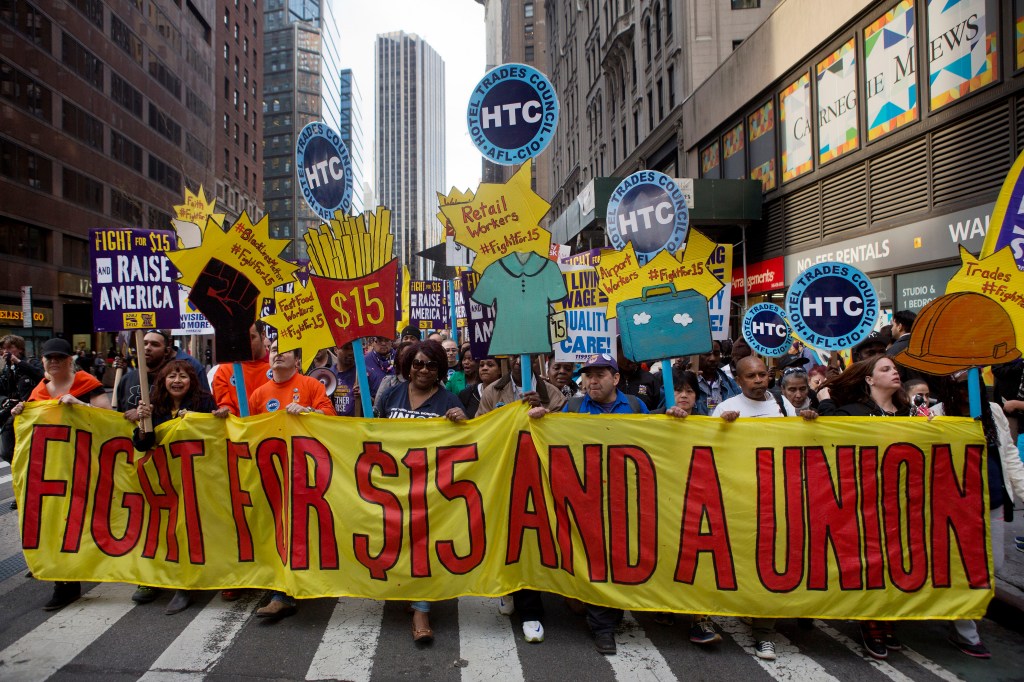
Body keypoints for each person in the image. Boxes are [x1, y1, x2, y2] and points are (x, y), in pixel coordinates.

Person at [526, 353, 648, 654]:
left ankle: (610, 611)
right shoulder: (574, 407)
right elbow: (556, 443)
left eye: (600, 375)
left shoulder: (635, 407)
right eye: (588, 375)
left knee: (618, 558)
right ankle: (602, 627)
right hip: (587, 497)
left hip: (625, 497)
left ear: (616, 378)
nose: (591, 381)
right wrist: (542, 421)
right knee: (596, 557)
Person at [713, 356, 816, 661]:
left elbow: (801, 446)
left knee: (773, 561)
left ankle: (764, 632)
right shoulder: (725, 409)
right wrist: (722, 429)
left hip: (779, 498)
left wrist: (807, 421)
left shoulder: (785, 406)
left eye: (762, 374)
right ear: (739, 380)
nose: (757, 380)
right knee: (747, 562)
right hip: (742, 500)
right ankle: (751, 611)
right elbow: (709, 452)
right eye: (750, 376)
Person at [816, 355, 906, 658]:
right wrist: (824, 400)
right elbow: (826, 434)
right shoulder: (853, 412)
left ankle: (889, 616)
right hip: (863, 501)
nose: (894, 372)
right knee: (871, 562)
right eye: (885, 369)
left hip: (901, 501)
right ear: (869, 380)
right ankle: (871, 620)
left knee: (896, 560)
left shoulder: (909, 413)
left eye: (894, 369)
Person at [11, 337, 111, 611]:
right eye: (49, 358)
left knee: (79, 522)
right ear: (43, 361)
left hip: (83, 464)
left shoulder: (87, 384)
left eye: (59, 357)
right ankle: (62, 579)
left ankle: (76, 575)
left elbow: (108, 416)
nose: (54, 362)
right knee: (53, 524)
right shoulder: (40, 391)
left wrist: (81, 405)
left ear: (70, 360)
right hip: (51, 470)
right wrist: (21, 412)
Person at [376, 339, 467, 642]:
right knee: (399, 543)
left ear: (440, 369)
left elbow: (468, 445)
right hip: (393, 486)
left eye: (431, 364)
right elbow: (373, 434)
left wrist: (462, 423)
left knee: (424, 547)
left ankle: (421, 611)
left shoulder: (449, 400)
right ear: (407, 366)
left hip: (431, 489)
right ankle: (406, 590)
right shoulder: (392, 395)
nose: (423, 370)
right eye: (417, 363)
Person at [932, 371, 1024, 657]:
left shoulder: (993, 411)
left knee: (991, 567)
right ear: (949, 388)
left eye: (974, 383)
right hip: (955, 506)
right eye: (962, 385)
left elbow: (1008, 454)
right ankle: (965, 631)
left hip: (992, 501)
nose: (969, 391)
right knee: (962, 567)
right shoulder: (935, 415)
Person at [247, 342, 334, 621]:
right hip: (272, 472)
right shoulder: (259, 394)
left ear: (297, 359)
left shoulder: (310, 385)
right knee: (277, 530)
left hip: (306, 473)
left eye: (285, 349)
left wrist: (309, 412)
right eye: (273, 348)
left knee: (301, 528)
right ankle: (282, 588)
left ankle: (289, 591)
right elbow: (247, 432)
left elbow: (332, 418)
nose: (277, 352)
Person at [133, 360, 225, 615]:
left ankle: (185, 585)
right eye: (172, 376)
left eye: (183, 376)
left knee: (186, 529)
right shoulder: (154, 407)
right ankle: (153, 578)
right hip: (162, 481)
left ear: (191, 381)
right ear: (163, 380)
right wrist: (143, 423)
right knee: (161, 530)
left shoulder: (204, 402)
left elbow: (216, 438)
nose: (177, 381)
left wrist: (206, 419)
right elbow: (143, 445)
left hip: (195, 479)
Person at [0, 335, 44, 471]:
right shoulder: (6, 369)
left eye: (9, 348)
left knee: (33, 448)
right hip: (12, 413)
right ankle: (24, 471)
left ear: (19, 349)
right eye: (3, 349)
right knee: (6, 452)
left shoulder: (30, 363)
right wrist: (5, 401)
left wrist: (18, 362)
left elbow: (42, 376)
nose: (6, 352)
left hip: (32, 412)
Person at [211, 322, 271, 417]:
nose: (246, 344)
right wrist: (226, 411)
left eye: (251, 338)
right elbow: (225, 405)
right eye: (242, 339)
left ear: (263, 335)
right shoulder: (224, 371)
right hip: (239, 430)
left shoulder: (280, 367)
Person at [477, 355, 566, 416]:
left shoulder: (554, 395)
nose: (519, 361)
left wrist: (543, 411)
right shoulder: (491, 392)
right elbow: (482, 427)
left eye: (525, 357)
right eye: (514, 356)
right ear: (508, 357)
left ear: (534, 357)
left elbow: (561, 429)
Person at [695, 340, 740, 415]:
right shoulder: (687, 383)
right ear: (697, 355)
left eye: (716, 354)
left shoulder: (730, 384)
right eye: (707, 354)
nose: (712, 358)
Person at [616, 343, 662, 411]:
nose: (632, 359)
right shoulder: (608, 379)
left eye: (635, 354)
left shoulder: (651, 380)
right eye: (627, 355)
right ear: (616, 354)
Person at [458, 354, 501, 418]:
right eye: (481, 365)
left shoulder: (507, 391)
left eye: (490, 365)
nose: (484, 368)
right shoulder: (466, 394)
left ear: (500, 370)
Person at [329, 342, 360, 417]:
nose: (350, 352)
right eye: (345, 348)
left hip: (357, 426)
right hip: (335, 425)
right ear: (336, 350)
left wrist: (364, 396)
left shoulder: (363, 374)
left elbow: (378, 404)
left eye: (352, 348)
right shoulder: (328, 375)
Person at [364, 335, 396, 400]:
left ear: (391, 342)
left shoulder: (399, 358)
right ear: (373, 342)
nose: (383, 343)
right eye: (379, 340)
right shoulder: (364, 361)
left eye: (387, 340)